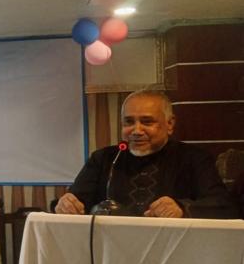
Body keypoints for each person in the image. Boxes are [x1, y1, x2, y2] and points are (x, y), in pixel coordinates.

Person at [55, 89, 239, 218]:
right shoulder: (104, 159)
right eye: (129, 122)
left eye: (147, 122)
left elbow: (223, 206)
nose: (136, 130)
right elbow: (76, 201)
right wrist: (66, 204)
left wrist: (182, 208)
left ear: (169, 124)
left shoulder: (194, 158)